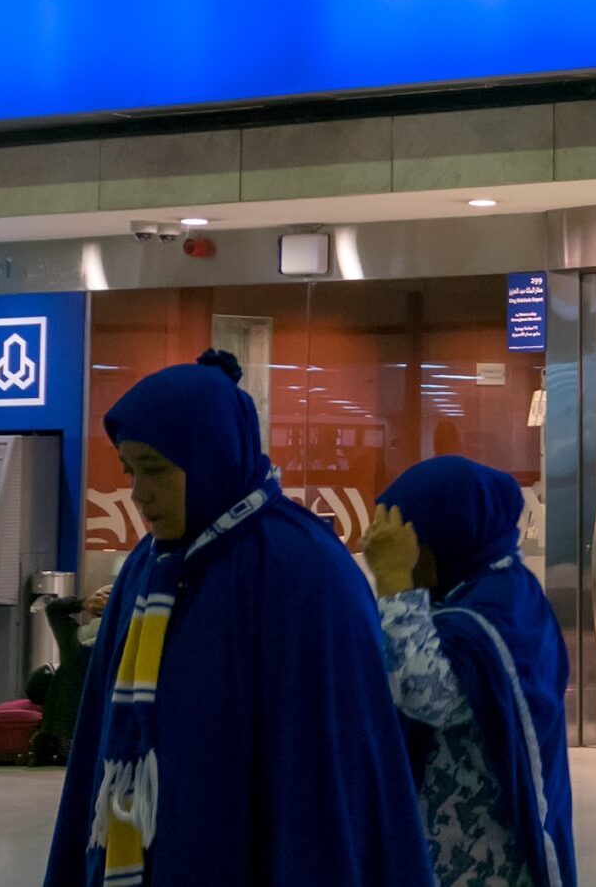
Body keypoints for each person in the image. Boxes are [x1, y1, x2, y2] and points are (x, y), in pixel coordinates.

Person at [43, 351, 434, 887]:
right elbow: (102, 746)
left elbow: (331, 776)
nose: (139, 493)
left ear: (211, 456)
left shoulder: (304, 570)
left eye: (156, 468)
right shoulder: (148, 566)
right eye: (130, 470)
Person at [366, 457, 577, 887]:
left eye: (406, 545)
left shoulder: (500, 604)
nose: (403, 558)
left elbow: (430, 694)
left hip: (491, 851)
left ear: (443, 538)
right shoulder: (471, 592)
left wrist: (392, 580)